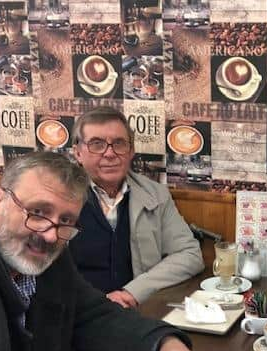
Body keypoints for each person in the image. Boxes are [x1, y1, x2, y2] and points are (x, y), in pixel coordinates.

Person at [0, 152, 226, 351]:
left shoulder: (48, 252)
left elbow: (91, 314)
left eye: (65, 221)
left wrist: (162, 343)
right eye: (37, 212)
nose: (50, 235)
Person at [69, 106, 204, 308]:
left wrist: (133, 292)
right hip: (75, 313)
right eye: (97, 144)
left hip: (136, 311)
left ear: (131, 151)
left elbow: (190, 255)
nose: (110, 154)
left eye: (119, 143)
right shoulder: (58, 197)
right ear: (78, 153)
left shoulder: (155, 195)